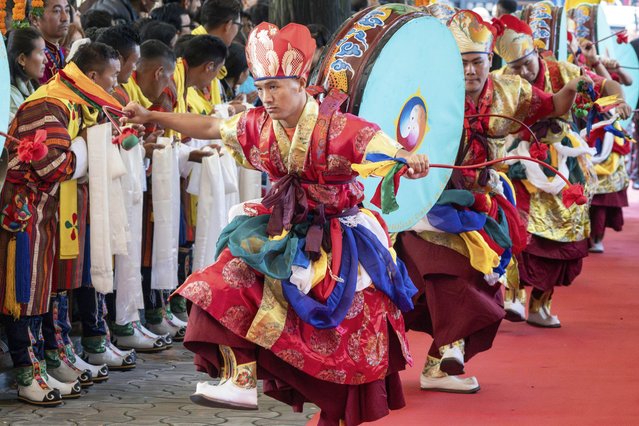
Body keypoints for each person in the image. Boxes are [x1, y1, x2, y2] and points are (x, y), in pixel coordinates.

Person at [123, 22, 429, 425]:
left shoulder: (335, 126)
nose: (266, 97)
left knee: (347, 332)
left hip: (337, 238)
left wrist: (406, 158)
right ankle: (240, 378)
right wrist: (152, 115)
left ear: (302, 83)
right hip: (281, 231)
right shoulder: (259, 125)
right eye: (261, 87)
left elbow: (374, 143)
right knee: (218, 284)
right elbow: (211, 127)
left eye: (276, 87)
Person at [394, 10, 593, 394]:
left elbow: (551, 105)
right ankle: (446, 348)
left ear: (491, 61)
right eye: (462, 63)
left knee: (480, 281)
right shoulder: (427, 91)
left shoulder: (510, 90)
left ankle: (439, 364)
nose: (469, 71)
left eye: (477, 62)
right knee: (444, 268)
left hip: (481, 201)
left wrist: (577, 86)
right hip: (431, 198)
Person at [0, 41, 125, 406]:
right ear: (92, 76)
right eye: (113, 77)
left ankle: (45, 363)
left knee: (46, 289)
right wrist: (88, 146)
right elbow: (53, 165)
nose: (116, 85)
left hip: (49, 211)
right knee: (25, 292)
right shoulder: (49, 102)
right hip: (26, 215)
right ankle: (28, 373)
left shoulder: (75, 99)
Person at [493, 15, 626, 326]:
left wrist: (615, 101)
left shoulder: (564, 71)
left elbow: (606, 91)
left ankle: (540, 304)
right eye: (516, 68)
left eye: (527, 63)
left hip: (562, 160)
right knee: (516, 226)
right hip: (521, 160)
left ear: (537, 53)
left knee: (565, 236)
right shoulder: (501, 80)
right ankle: (513, 294)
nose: (524, 72)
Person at [8, 28, 47, 122]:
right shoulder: (9, 96)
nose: (46, 60)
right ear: (22, 59)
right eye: (41, 53)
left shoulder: (33, 87)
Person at [31, 0, 71, 84]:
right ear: (35, 19)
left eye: (67, 10)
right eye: (57, 11)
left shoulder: (65, 53)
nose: (65, 18)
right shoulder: (32, 57)